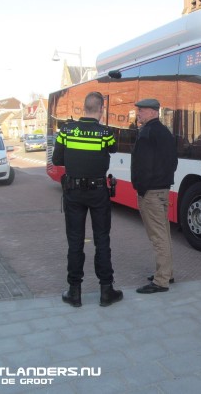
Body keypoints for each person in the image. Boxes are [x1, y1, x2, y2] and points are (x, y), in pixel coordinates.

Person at [52, 91, 123, 307]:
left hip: (73, 192)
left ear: (84, 108)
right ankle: (106, 291)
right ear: (101, 109)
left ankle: (74, 293)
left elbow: (57, 159)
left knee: (75, 241)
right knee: (102, 240)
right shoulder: (105, 133)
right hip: (98, 192)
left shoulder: (66, 130)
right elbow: (114, 148)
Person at [131, 98, 178, 293]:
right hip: (163, 189)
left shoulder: (147, 133)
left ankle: (161, 281)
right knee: (164, 233)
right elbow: (173, 162)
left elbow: (143, 166)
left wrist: (141, 189)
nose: (138, 113)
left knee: (158, 236)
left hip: (150, 192)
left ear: (153, 112)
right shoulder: (165, 132)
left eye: (141, 110)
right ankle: (166, 272)